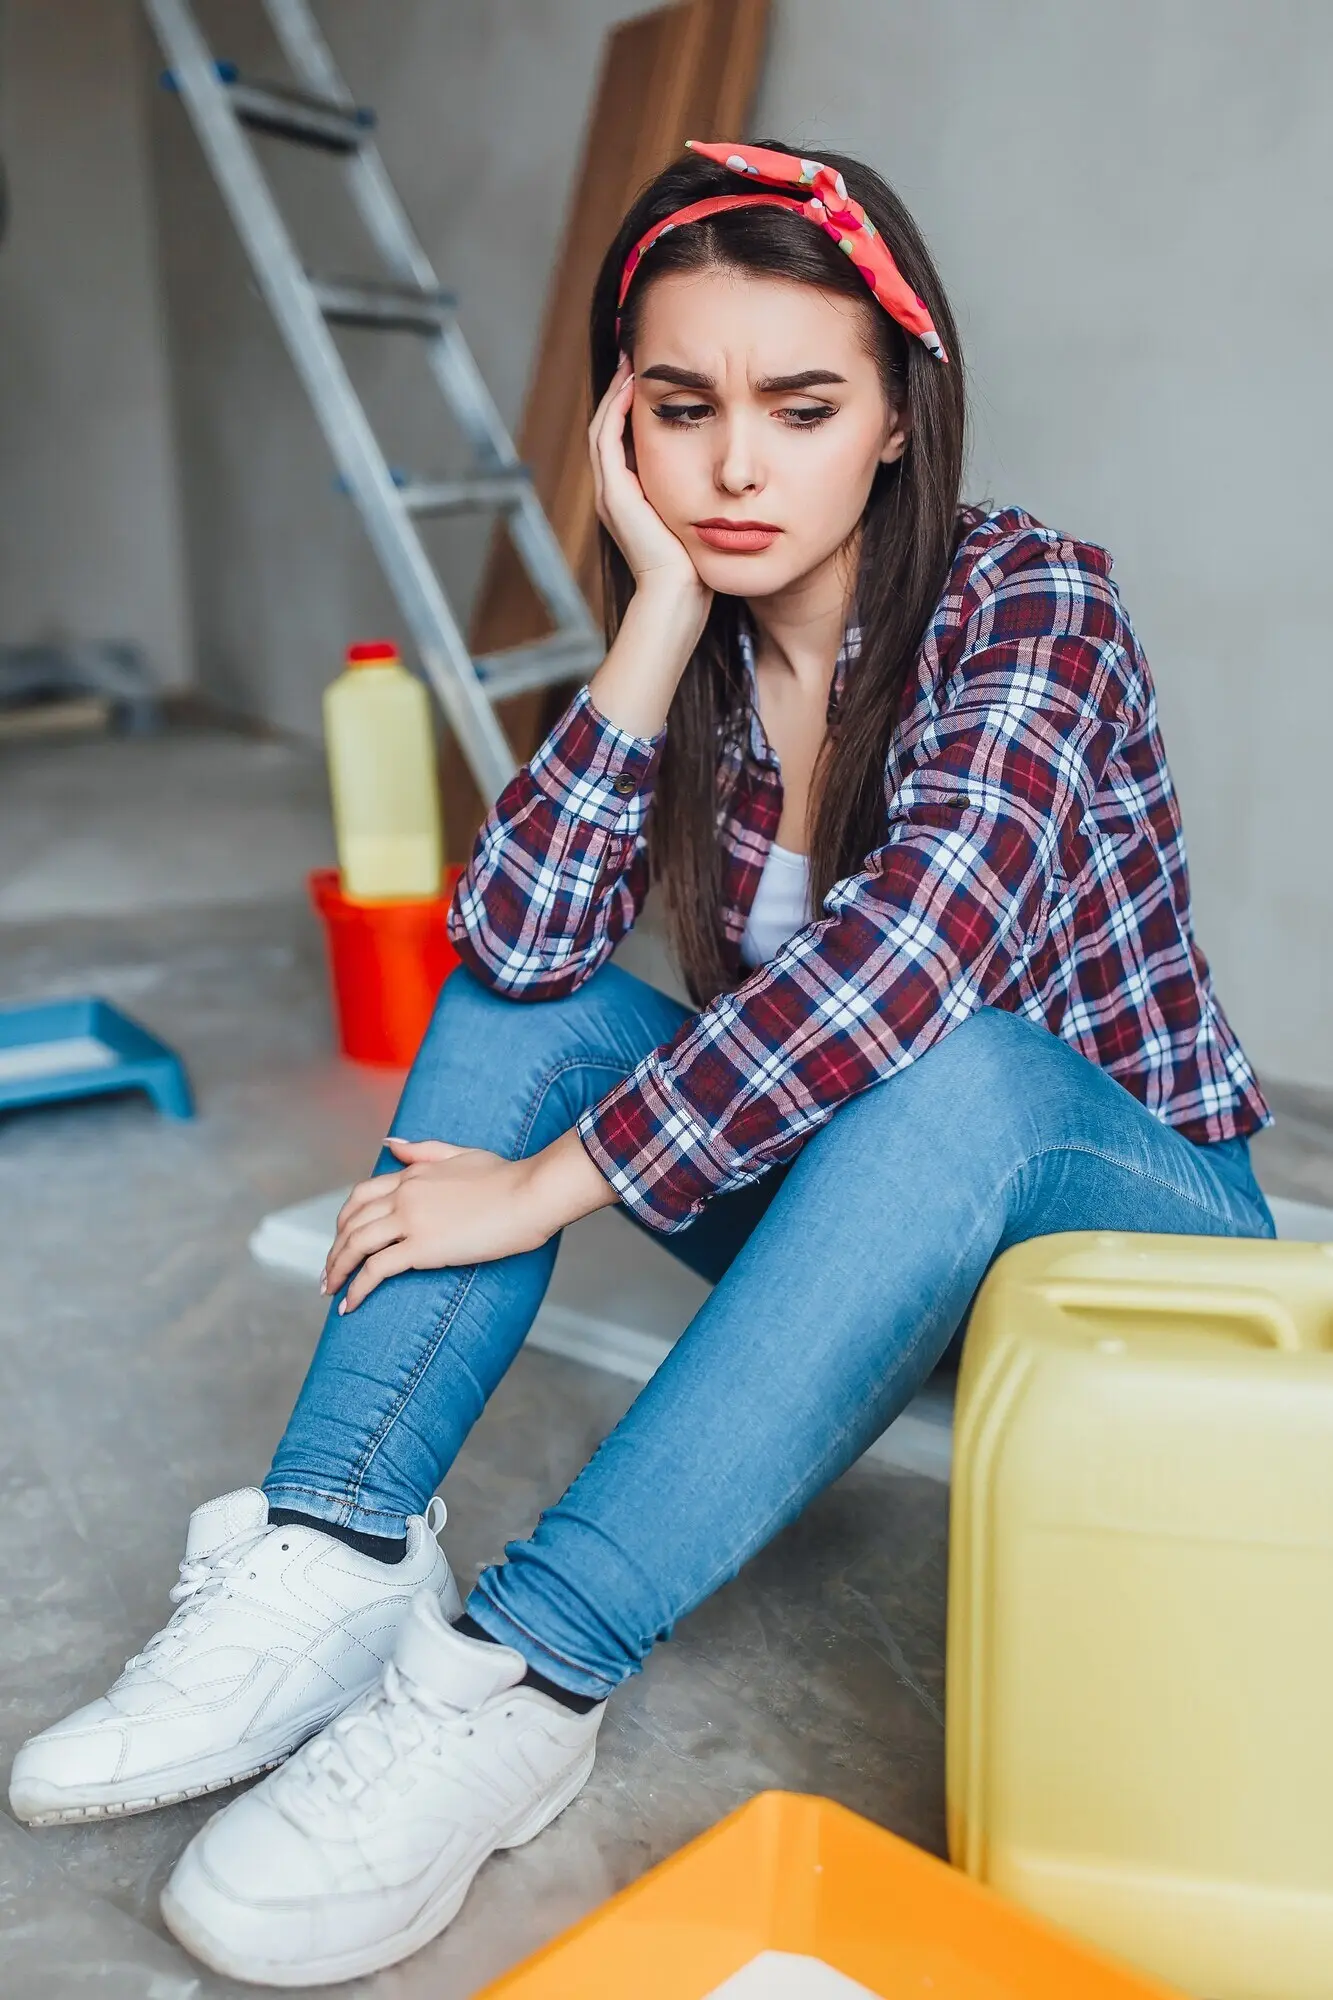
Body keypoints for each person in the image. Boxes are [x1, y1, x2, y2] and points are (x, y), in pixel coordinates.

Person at [10, 139, 1273, 1985]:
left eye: (801, 403)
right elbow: (514, 952)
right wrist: (656, 622)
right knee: (536, 1011)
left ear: (903, 418)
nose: (738, 467)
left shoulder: (1035, 609)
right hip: (868, 1234)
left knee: (962, 1068)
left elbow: (901, 978)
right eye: (682, 409)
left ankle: (518, 1676)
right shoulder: (699, 640)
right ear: (626, 428)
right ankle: (333, 1557)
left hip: (1123, 1237)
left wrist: (536, 1188)